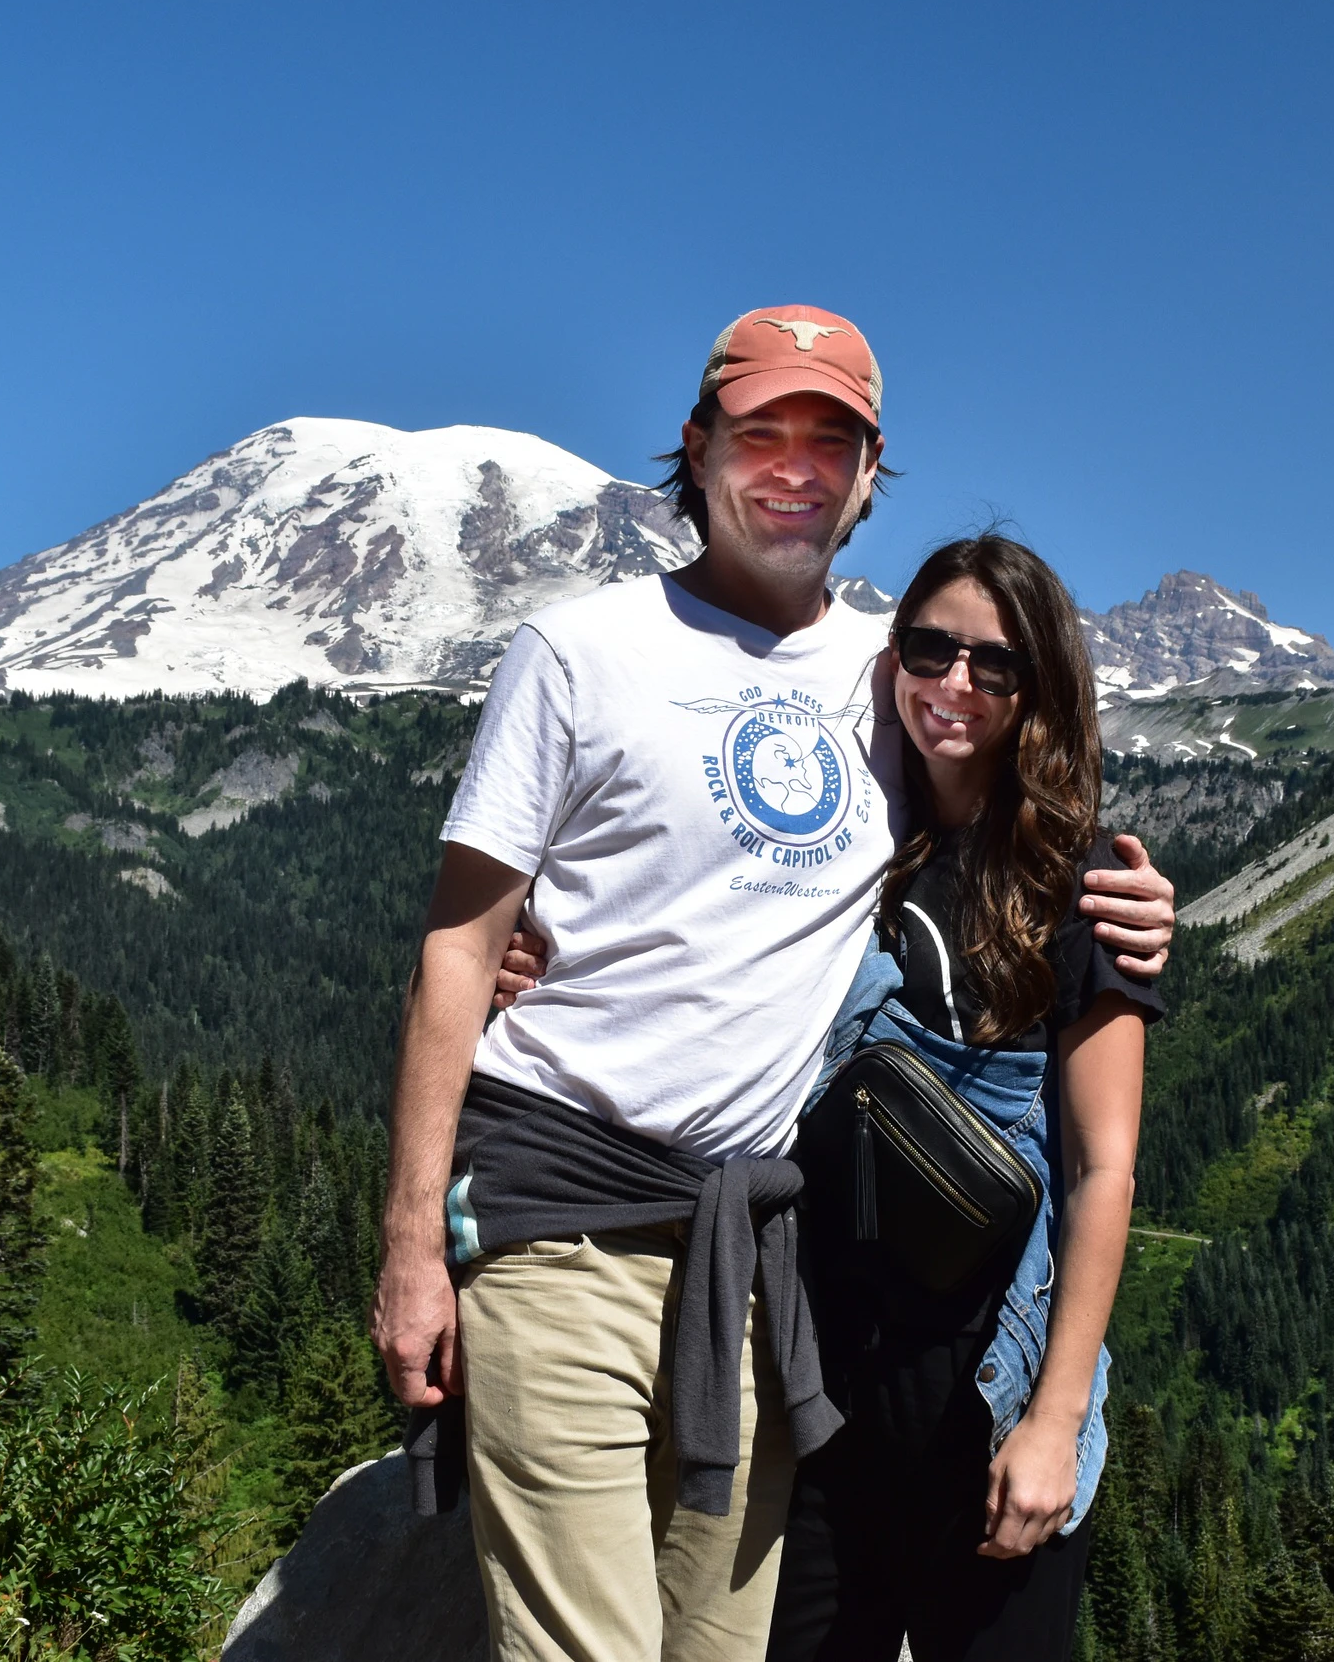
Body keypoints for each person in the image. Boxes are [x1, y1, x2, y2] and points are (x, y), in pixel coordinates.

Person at [372, 305, 1176, 1662]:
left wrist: (1131, 909)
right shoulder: (581, 649)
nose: (796, 466)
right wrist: (410, 1245)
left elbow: (997, 814)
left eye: (832, 441)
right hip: (563, 1216)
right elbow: (461, 941)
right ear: (696, 448)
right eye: (761, 433)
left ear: (869, 479)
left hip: (758, 1271)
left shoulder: (883, 679)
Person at [766, 535, 1154, 1662]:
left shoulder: (1084, 886)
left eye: (995, 664)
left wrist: (1055, 1420)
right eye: (930, 649)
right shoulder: (841, 842)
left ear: (1039, 688)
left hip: (988, 1386)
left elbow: (1103, 1170)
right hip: (827, 1381)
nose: (955, 683)